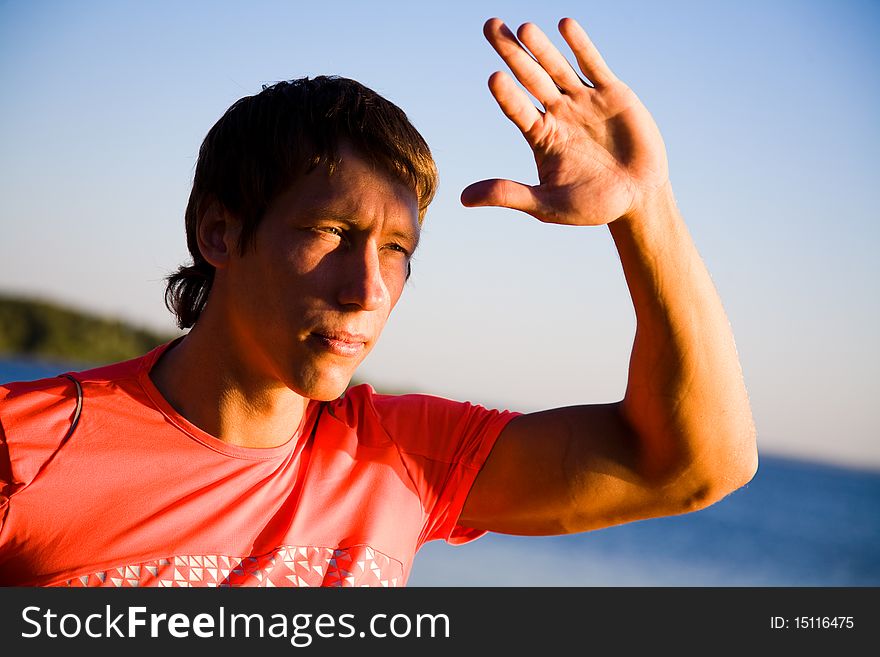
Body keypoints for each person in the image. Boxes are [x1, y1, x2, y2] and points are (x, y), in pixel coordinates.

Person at [0, 17, 757, 587]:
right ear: (221, 232)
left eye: (398, 249)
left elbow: (695, 465)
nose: (369, 290)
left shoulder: (401, 457)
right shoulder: (26, 449)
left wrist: (644, 210)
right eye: (332, 231)